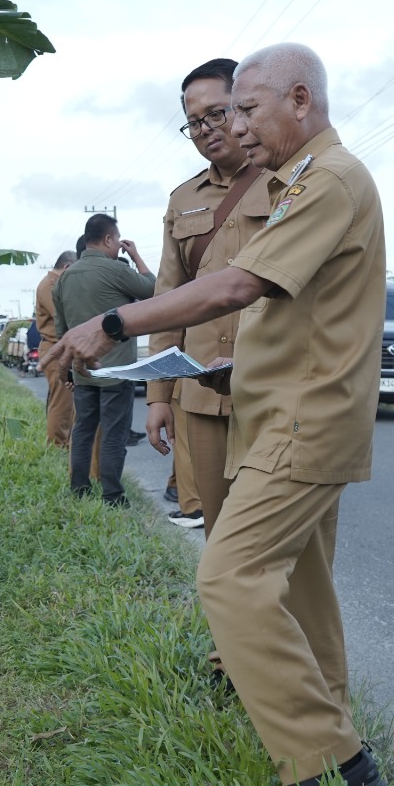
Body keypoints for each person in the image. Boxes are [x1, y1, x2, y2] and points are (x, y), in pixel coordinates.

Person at [45, 42, 389, 786]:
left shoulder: (329, 179)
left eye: (246, 110)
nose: (234, 127)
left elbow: (233, 287)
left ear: (299, 100)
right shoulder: (299, 180)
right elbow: (266, 300)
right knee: (303, 589)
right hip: (279, 409)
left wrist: (113, 322)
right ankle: (332, 725)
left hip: (303, 418)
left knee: (229, 576)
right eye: (223, 115)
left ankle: (330, 768)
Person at [146, 58, 274, 534]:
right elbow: (169, 298)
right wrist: (158, 397)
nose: (206, 130)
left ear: (244, 107)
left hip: (271, 391)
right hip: (201, 398)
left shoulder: (289, 182)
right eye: (194, 122)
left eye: (217, 113)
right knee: (218, 532)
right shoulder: (182, 200)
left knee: (272, 535)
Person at [51, 214, 154, 505]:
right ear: (108, 239)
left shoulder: (64, 278)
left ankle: (79, 489)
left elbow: (62, 331)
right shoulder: (116, 270)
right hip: (117, 372)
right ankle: (112, 495)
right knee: (113, 434)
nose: (118, 247)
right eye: (117, 241)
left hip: (82, 371)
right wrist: (135, 256)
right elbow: (153, 290)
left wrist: (69, 372)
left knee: (83, 430)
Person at [34, 250, 77, 447]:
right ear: (66, 267)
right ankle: (56, 447)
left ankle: (63, 445)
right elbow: (64, 316)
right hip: (54, 349)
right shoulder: (49, 286)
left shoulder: (54, 284)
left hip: (60, 348)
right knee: (62, 403)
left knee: (66, 402)